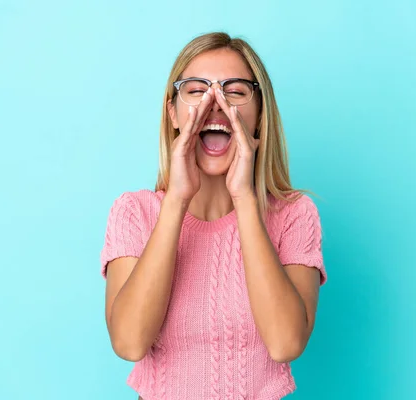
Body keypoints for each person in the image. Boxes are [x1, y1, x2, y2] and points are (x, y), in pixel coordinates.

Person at [100, 32, 327, 400]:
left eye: (234, 91)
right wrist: (175, 199)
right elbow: (129, 342)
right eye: (196, 90)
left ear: (259, 116)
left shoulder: (295, 215)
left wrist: (246, 200)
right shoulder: (134, 212)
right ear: (172, 112)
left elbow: (286, 343)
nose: (214, 105)